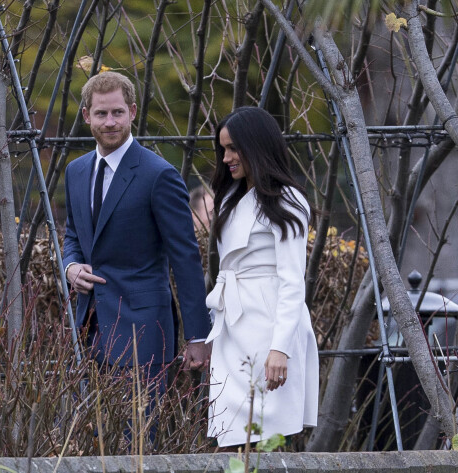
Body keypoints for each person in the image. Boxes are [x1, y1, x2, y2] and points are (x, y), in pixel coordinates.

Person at [62, 71, 211, 376]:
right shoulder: (75, 172)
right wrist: (70, 266)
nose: (110, 122)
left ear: (131, 112)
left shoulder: (159, 175)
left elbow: (186, 258)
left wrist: (197, 335)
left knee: (141, 426)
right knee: (92, 426)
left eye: (118, 112)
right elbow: (73, 235)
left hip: (143, 336)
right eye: (101, 114)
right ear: (87, 116)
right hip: (88, 333)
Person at [205, 106, 319, 448]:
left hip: (269, 330)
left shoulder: (288, 201)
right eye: (223, 149)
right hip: (233, 327)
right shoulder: (230, 199)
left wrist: (279, 349)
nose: (226, 158)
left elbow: (291, 281)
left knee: (270, 439)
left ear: (256, 146)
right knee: (231, 438)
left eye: (233, 149)